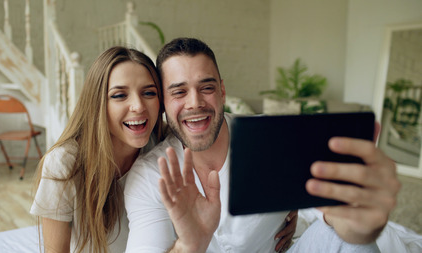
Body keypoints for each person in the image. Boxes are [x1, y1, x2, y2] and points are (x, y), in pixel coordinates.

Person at [124, 37, 401, 253]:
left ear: (222, 91)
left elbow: (332, 213)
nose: (195, 102)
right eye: (179, 92)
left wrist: (357, 222)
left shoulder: (272, 136)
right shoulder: (149, 175)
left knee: (349, 238)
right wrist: (189, 245)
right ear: (163, 104)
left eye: (206, 87)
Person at [30, 46, 165, 253]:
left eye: (149, 93)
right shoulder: (63, 163)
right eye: (120, 95)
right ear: (98, 103)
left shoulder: (164, 151)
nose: (138, 106)